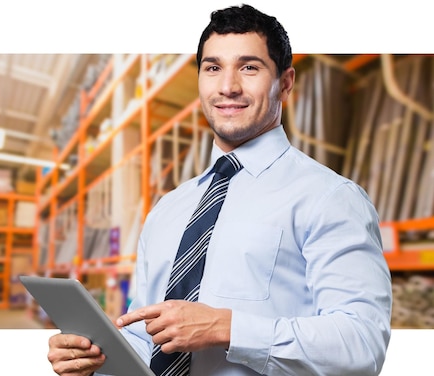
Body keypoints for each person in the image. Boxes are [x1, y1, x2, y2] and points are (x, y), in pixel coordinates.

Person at [47, 4, 392, 376]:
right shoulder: (168, 209)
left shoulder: (329, 197)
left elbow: (362, 344)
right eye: (213, 68)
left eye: (249, 67)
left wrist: (226, 328)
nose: (228, 86)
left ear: (286, 82)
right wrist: (94, 357)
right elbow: (147, 338)